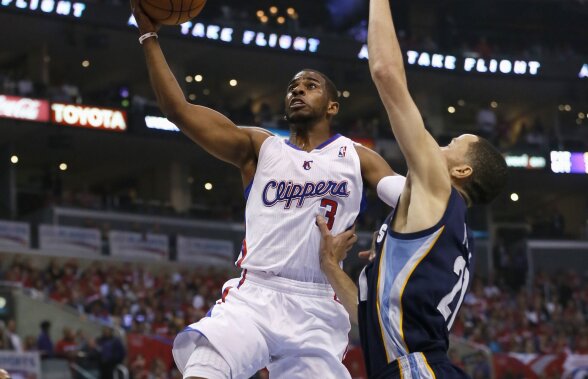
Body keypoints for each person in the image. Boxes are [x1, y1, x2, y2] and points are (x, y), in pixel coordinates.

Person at [130, 1, 406, 378]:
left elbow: (409, 202)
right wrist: (149, 36)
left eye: (311, 86)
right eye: (293, 86)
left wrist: (392, 242)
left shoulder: (359, 157)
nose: (298, 91)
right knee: (202, 370)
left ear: (332, 106)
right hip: (256, 292)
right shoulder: (260, 148)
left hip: (319, 304)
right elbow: (179, 110)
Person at [316, 0, 508, 378]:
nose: (440, 145)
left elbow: (386, 72)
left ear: (462, 170)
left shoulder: (439, 190)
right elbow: (372, 321)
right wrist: (330, 267)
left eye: (452, 143)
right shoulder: (446, 230)